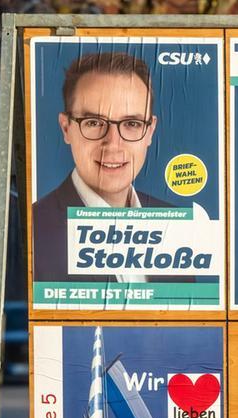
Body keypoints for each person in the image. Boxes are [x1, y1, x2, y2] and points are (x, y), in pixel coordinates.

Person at [34, 52, 184, 283]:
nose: (113, 143)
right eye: (94, 122)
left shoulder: (178, 229)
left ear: (150, 131)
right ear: (66, 128)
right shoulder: (33, 228)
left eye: (132, 123)